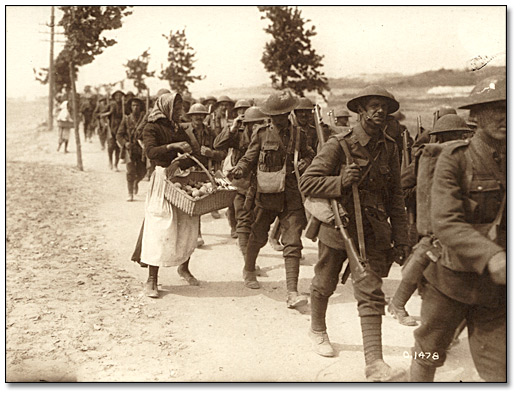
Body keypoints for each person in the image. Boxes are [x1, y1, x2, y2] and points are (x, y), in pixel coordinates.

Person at [299, 86, 410, 381]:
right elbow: (308, 183)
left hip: (372, 230)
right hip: (339, 227)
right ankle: (318, 329)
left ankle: (374, 362)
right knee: (324, 283)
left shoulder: (390, 146)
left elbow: (396, 198)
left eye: (384, 107)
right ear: (360, 110)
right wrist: (339, 181)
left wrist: (402, 238)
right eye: (373, 106)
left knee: (371, 290)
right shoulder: (340, 144)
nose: (379, 112)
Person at [410, 76, 506, 382]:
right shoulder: (455, 159)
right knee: (429, 353)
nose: (504, 116)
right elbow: (446, 221)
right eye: (494, 109)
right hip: (450, 281)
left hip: (496, 290)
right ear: (474, 116)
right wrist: (492, 256)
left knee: (500, 369)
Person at [228, 91, 314, 309]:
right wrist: (240, 169)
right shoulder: (261, 133)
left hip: (292, 195)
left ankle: (292, 291)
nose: (279, 119)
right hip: (266, 194)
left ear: (288, 113)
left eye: (283, 114)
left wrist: (305, 161)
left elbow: (309, 154)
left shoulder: (299, 134)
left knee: (293, 240)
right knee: (257, 236)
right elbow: (250, 156)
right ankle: (249, 269)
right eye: (275, 115)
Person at [388, 114, 472, 327]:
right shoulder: (427, 157)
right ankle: (398, 304)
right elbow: (403, 188)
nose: (459, 140)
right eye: (453, 136)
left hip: (458, 219)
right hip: (433, 222)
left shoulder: (465, 157)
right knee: (425, 255)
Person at [131, 93, 203, 297]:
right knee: (160, 226)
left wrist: (181, 161)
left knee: (187, 225)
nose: (179, 110)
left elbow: (193, 154)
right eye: (176, 106)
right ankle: (152, 279)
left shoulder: (178, 127)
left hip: (179, 179)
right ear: (166, 107)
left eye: (180, 107)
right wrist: (173, 147)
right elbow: (151, 152)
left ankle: (184, 267)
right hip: (162, 179)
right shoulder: (151, 126)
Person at [214, 106, 268, 259]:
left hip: (261, 182)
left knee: (256, 222)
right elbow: (217, 145)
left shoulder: (267, 135)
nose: (257, 127)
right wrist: (232, 128)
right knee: (243, 219)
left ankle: (248, 249)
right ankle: (247, 260)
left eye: (259, 123)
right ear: (247, 125)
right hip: (241, 182)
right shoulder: (239, 134)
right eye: (253, 124)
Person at [182, 103, 227, 246]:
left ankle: (197, 234)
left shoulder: (211, 133)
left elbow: (222, 154)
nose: (199, 117)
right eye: (196, 115)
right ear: (190, 116)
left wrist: (210, 153)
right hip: (185, 171)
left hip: (203, 173)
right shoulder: (183, 131)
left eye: (202, 115)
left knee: (198, 202)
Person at [117, 97, 147, 202]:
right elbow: (119, 135)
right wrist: (125, 143)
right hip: (129, 149)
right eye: (133, 105)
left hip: (141, 149)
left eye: (137, 105)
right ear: (130, 107)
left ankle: (136, 182)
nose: (135, 108)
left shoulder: (145, 118)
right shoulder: (126, 119)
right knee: (130, 171)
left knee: (142, 171)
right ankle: (130, 193)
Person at [99, 90, 125, 171]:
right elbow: (101, 115)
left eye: (120, 96)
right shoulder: (111, 105)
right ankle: (110, 161)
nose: (118, 97)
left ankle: (115, 165)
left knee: (118, 147)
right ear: (114, 97)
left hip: (121, 129)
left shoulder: (124, 105)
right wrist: (109, 113)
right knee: (110, 146)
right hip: (112, 128)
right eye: (116, 96)